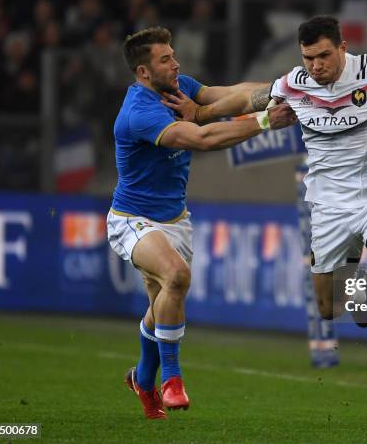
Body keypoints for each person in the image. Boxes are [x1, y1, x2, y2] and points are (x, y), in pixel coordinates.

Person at [165, 16, 367, 406]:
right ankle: (355, 287)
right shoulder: (295, 84)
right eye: (308, 58)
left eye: (323, 56)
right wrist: (199, 113)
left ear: (342, 48)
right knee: (327, 307)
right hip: (329, 206)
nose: (315, 66)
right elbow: (242, 96)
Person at [107, 26, 296, 420]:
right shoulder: (140, 113)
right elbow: (204, 138)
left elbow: (232, 95)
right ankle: (172, 379)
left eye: (173, 55)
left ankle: (143, 378)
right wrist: (265, 122)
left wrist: (285, 87)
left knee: (160, 308)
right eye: (165, 59)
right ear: (143, 72)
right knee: (176, 277)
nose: (175, 63)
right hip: (132, 219)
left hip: (176, 221)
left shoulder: (179, 87)